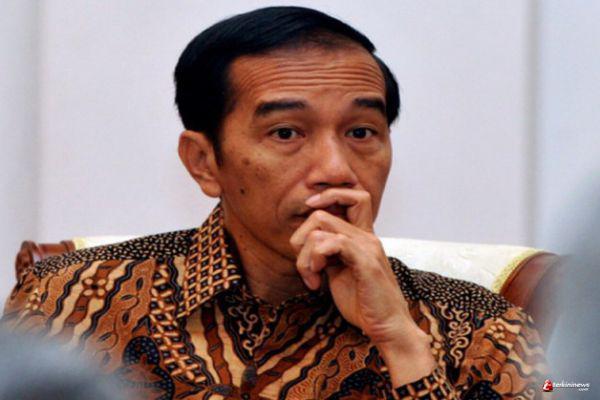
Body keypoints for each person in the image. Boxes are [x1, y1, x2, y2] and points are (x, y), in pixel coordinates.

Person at [1, 6, 547, 399]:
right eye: (286, 133)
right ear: (203, 162)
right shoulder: (68, 300)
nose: (335, 168)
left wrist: (401, 342)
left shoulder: (486, 330)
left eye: (361, 132)